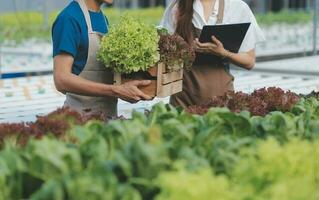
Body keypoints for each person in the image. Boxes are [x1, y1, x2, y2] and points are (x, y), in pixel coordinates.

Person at [52, 0, 152, 116]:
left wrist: (133, 87)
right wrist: (116, 90)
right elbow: (61, 79)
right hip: (79, 120)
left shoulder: (103, 18)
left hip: (107, 119)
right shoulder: (69, 19)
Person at [160, 0, 265, 108]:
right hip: (182, 101)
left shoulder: (236, 7)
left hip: (221, 104)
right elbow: (164, 56)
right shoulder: (177, 7)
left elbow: (249, 61)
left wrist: (224, 53)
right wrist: (183, 50)